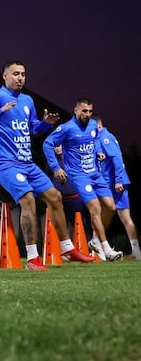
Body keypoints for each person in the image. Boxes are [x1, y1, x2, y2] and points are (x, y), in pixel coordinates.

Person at [0, 61, 93, 270]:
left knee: (54, 196)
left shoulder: (27, 100)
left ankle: (67, 249)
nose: (20, 78)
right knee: (27, 199)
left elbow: (33, 128)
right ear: (4, 76)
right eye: (15, 74)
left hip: (27, 162)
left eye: (23, 74)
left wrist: (46, 123)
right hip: (5, 163)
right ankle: (33, 258)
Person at [43, 98, 122, 261]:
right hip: (79, 176)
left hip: (95, 174)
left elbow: (93, 142)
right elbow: (47, 144)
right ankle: (106, 249)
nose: (87, 114)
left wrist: (98, 152)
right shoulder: (66, 128)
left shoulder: (93, 125)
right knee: (95, 209)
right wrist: (56, 167)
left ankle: (94, 240)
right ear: (76, 110)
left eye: (90, 111)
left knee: (111, 207)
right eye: (84, 111)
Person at [95, 115, 141, 260]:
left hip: (112, 183)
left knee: (100, 214)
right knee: (124, 218)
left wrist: (118, 180)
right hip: (113, 182)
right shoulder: (102, 138)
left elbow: (117, 159)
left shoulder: (104, 138)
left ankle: (98, 247)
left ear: (98, 125)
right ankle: (136, 252)